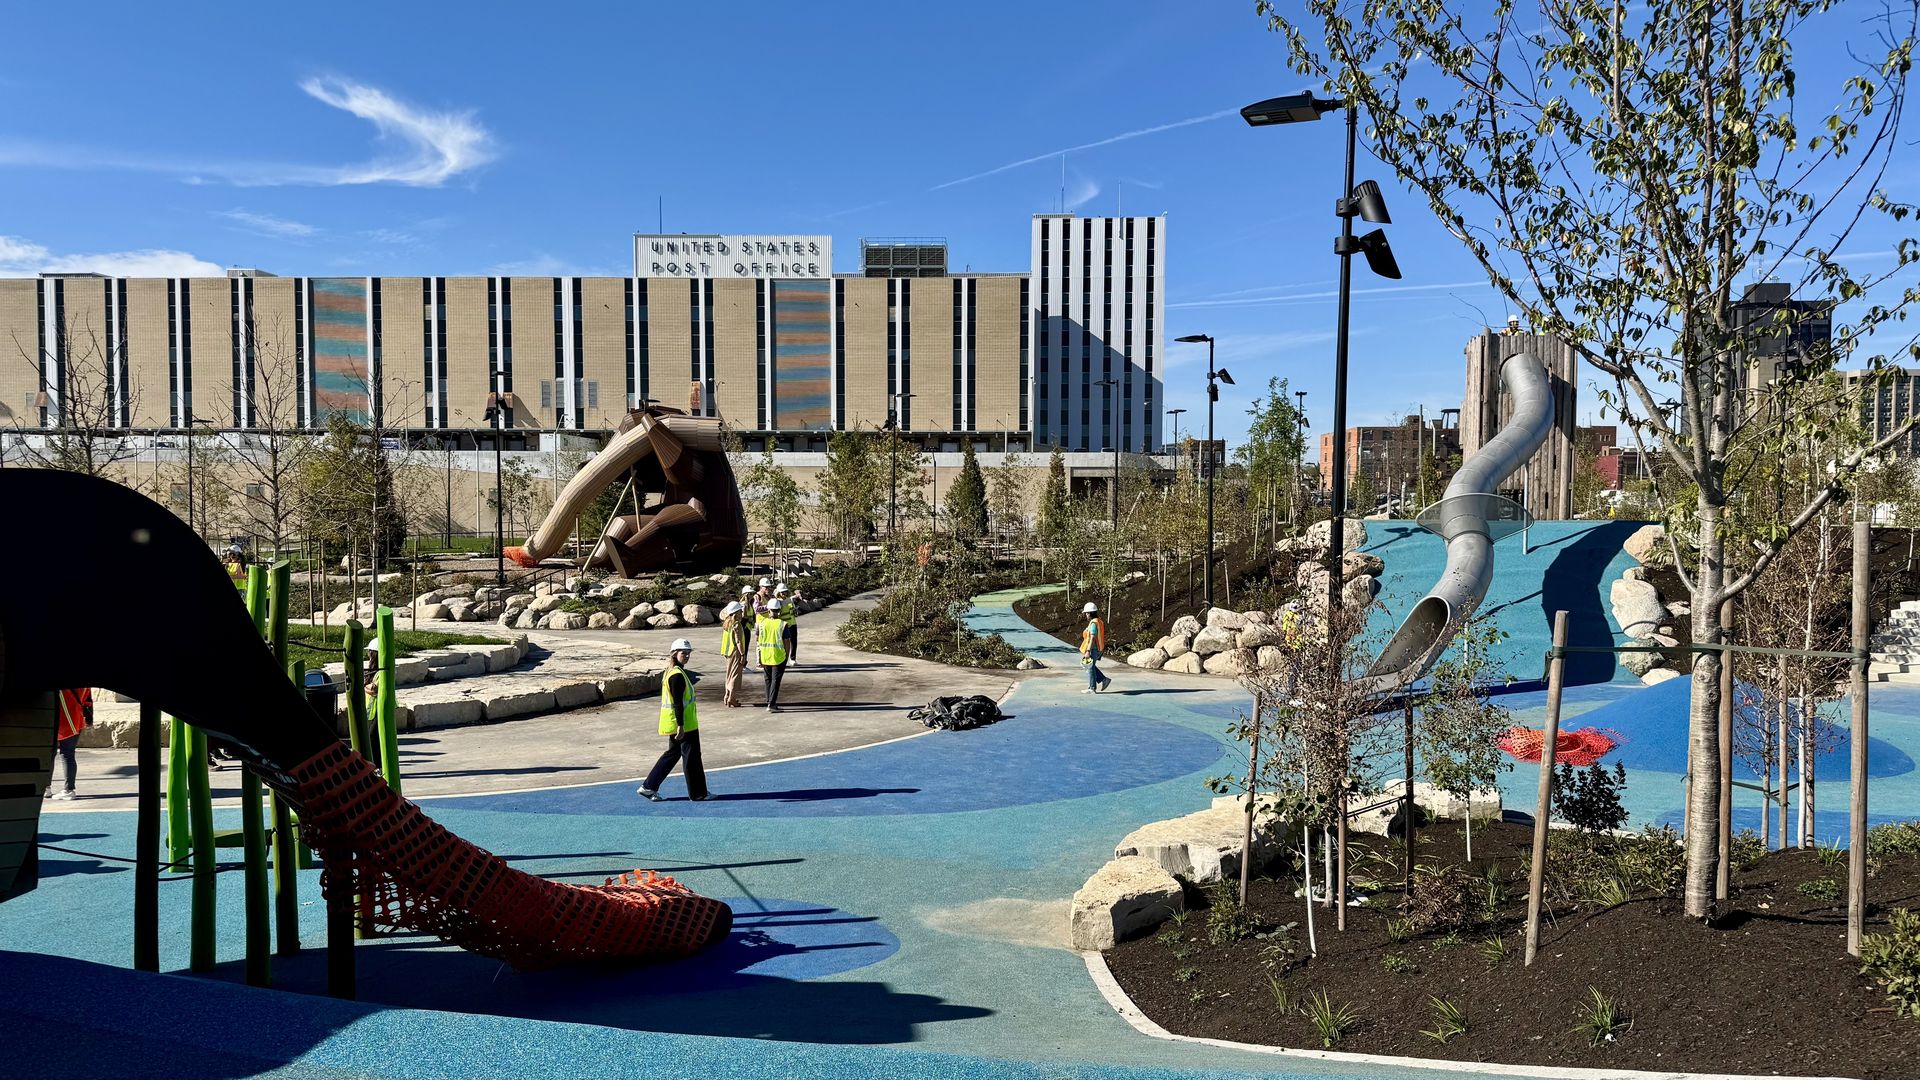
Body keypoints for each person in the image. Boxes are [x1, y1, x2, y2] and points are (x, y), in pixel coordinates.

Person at [639, 638, 709, 802]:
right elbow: (677, 702)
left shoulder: (673, 672)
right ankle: (698, 794)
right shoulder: (677, 676)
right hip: (684, 725)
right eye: (683, 653)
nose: (687, 656)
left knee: (673, 754)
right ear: (674, 654)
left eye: (688, 653)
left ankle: (649, 786)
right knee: (692, 759)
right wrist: (681, 726)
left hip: (680, 723)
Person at [47, 687, 91, 801]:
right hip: (77, 716)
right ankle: (68, 789)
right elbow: (87, 697)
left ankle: (65, 790)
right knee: (67, 753)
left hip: (65, 718)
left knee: (58, 754)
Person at [757, 598, 790, 712]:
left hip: (765, 656)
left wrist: (759, 656)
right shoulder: (782, 624)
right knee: (775, 680)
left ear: (769, 610)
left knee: (768, 680)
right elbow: (787, 642)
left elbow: (758, 639)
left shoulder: (762, 624)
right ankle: (771, 704)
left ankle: (768, 701)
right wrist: (787, 655)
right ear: (779, 610)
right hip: (778, 656)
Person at [718, 600, 750, 707]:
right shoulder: (737, 625)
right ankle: (732, 697)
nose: (742, 612)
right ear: (736, 612)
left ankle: (726, 696)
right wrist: (743, 654)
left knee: (729, 674)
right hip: (735, 651)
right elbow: (738, 641)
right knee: (735, 675)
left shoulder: (727, 623)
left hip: (728, 653)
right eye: (740, 610)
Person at [1080, 601, 1111, 694]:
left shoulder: (1093, 623)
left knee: (1089, 667)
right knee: (1090, 666)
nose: (1085, 615)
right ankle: (1103, 679)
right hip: (1099, 648)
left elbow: (1092, 638)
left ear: (1089, 613)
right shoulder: (1099, 621)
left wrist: (1088, 650)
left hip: (1093, 649)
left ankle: (1092, 688)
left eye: (1086, 613)